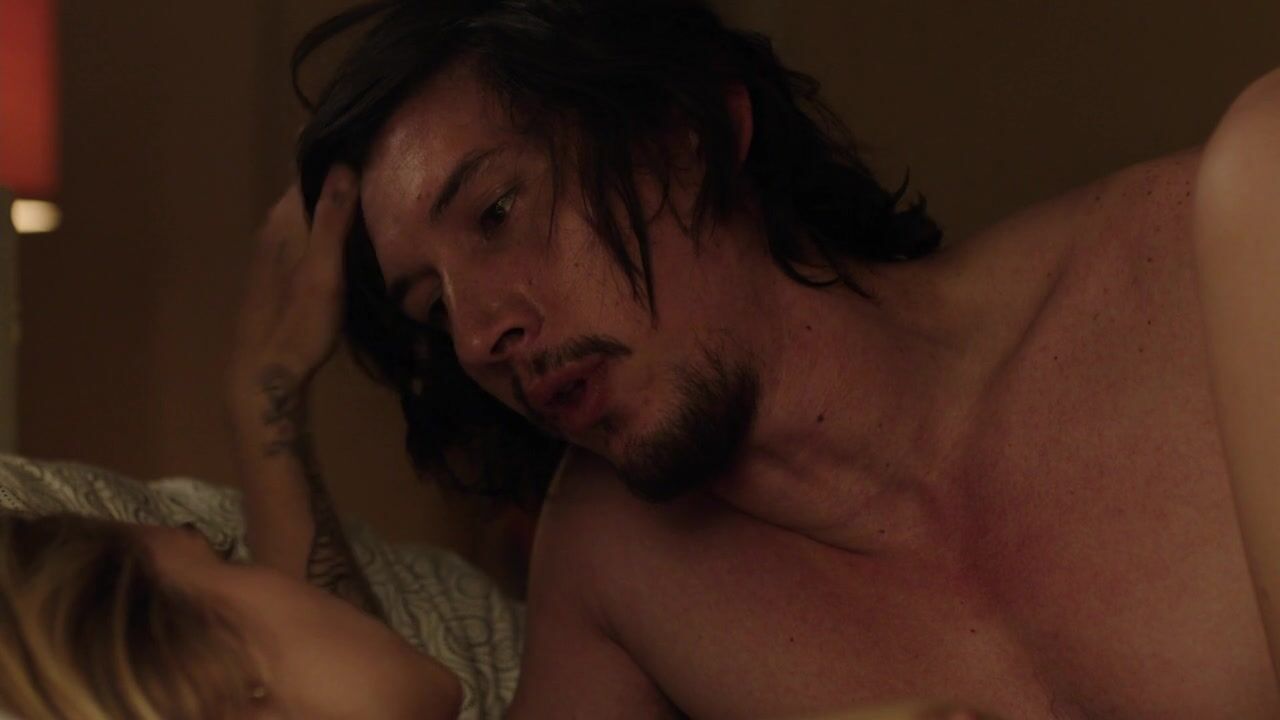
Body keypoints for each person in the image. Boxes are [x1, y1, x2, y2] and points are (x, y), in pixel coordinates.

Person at [229, 0, 1280, 717]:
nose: (475, 336)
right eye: (432, 308)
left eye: (499, 212)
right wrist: (267, 409)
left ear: (685, 132)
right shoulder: (615, 562)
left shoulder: (1213, 245)